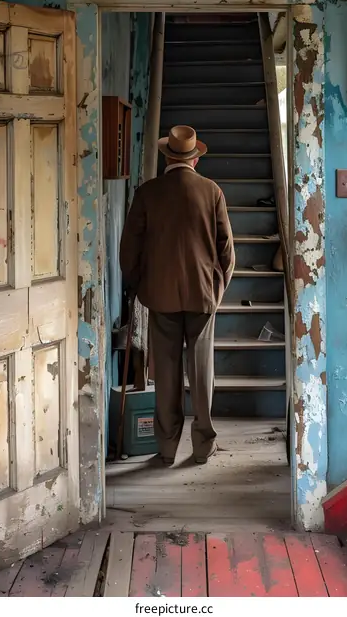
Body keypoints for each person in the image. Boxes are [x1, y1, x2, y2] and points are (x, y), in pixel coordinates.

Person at [119, 125, 235, 465]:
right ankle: (202, 446)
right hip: (202, 294)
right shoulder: (211, 191)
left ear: (167, 156)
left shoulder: (148, 193)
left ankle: (167, 447)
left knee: (166, 372)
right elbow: (226, 251)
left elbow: (129, 250)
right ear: (194, 160)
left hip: (160, 294)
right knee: (202, 372)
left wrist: (141, 286)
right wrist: (217, 289)